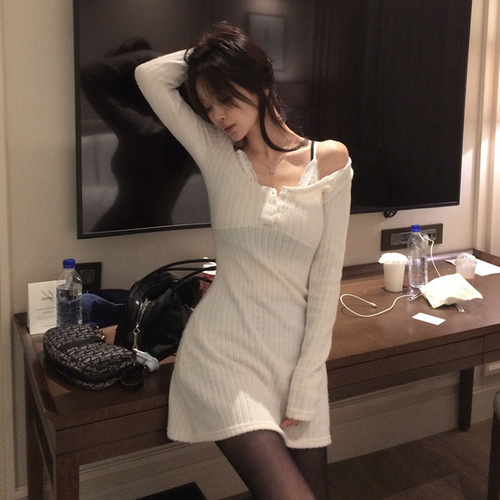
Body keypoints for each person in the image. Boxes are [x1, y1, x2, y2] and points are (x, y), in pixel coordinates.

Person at [135, 21, 353, 500]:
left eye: (225, 99)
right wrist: (208, 55)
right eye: (207, 105)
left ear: (260, 83)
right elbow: (149, 76)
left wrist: (307, 378)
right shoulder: (217, 154)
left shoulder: (329, 160)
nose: (216, 115)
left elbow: (326, 280)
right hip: (223, 356)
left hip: (294, 360)